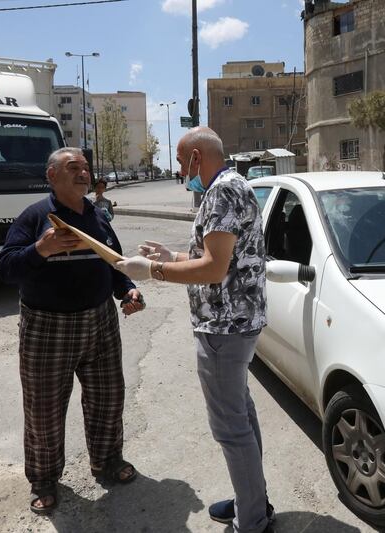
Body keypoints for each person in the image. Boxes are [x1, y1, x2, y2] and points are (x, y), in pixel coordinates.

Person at [114, 127, 274, 533]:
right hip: (238, 323)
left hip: (224, 328)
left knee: (231, 428)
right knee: (242, 416)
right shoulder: (234, 185)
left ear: (198, 157)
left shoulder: (221, 191)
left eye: (183, 162)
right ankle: (252, 502)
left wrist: (153, 270)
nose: (181, 172)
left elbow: (214, 269)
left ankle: (252, 521)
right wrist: (173, 256)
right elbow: (217, 256)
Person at [0, 147, 145, 515]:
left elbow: (115, 263)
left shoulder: (97, 216)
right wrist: (40, 249)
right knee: (44, 409)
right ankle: (45, 478)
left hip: (101, 322)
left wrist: (127, 289)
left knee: (109, 398)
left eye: (85, 168)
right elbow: (6, 267)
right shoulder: (34, 218)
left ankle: (107, 460)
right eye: (72, 167)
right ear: (51, 176)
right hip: (48, 328)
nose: (83, 173)